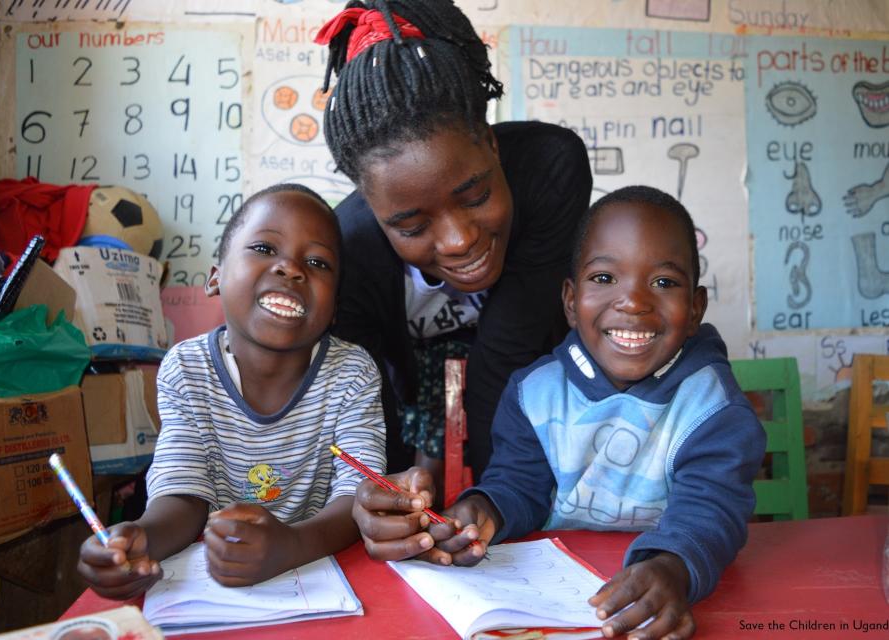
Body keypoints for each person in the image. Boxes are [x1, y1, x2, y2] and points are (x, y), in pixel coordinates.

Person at [352, 186, 767, 640]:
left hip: (660, 594)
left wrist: (673, 567)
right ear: (571, 301)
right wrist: (482, 508)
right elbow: (521, 486)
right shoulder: (535, 394)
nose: (633, 302)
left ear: (695, 309)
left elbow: (711, 511)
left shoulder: (711, 407)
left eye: (664, 282)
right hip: (556, 601)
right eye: (605, 278)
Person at [315, 0, 592, 489]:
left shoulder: (550, 169)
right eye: (412, 227)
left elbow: (507, 355)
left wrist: (495, 504)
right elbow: (370, 404)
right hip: (412, 384)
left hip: (530, 381)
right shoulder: (349, 248)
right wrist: (395, 504)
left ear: (491, 144)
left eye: (477, 195)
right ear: (376, 211)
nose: (460, 239)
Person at [77, 184, 386, 599]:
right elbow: (184, 498)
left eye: (317, 261)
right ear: (215, 279)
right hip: (217, 589)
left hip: (325, 578)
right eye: (264, 248)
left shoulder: (351, 373)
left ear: (334, 308)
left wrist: (292, 545)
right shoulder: (187, 369)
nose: (292, 268)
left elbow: (359, 497)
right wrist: (139, 541)